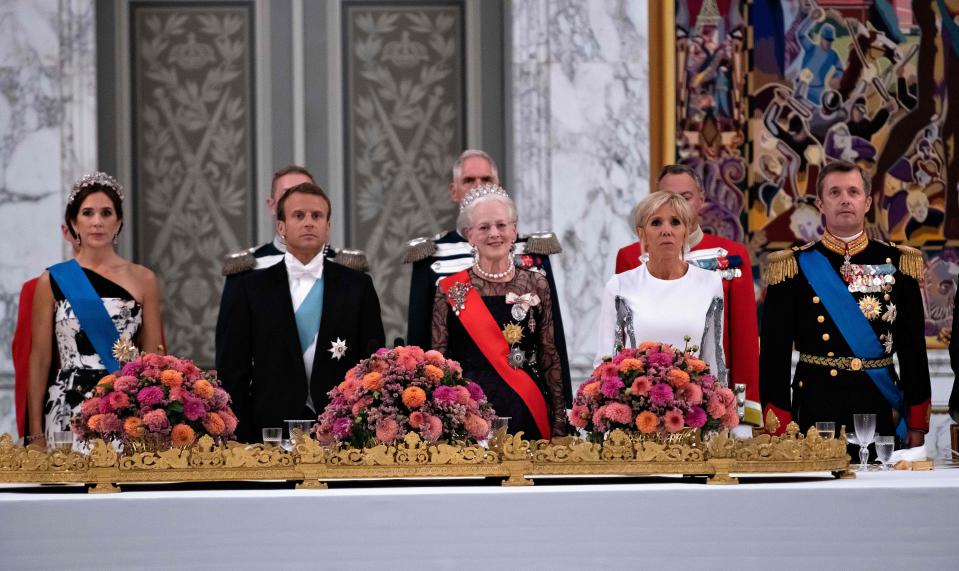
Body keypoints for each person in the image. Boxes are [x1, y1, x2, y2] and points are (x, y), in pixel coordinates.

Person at [760, 160, 930, 448]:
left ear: (867, 202)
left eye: (853, 192)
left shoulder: (899, 263)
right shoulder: (792, 268)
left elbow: (913, 348)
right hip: (816, 409)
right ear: (820, 204)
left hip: (878, 404)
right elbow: (774, 357)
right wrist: (778, 425)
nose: (845, 200)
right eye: (835, 193)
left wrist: (917, 422)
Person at [216, 182, 385, 442]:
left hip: (343, 430)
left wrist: (364, 426)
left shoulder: (358, 286)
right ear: (281, 227)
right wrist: (244, 434)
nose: (309, 223)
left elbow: (372, 366)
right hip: (268, 430)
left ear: (328, 227)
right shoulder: (250, 288)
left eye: (317, 216)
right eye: (299, 215)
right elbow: (233, 370)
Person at [405, 149, 574, 406]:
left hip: (524, 395)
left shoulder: (532, 252)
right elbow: (421, 342)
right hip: (463, 398)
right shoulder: (432, 255)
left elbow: (552, 345)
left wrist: (563, 411)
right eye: (469, 181)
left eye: (486, 180)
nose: (478, 187)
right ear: (454, 191)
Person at [614, 165, 761, 427]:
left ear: (701, 201)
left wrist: (741, 407)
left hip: (707, 397)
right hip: (644, 399)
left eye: (686, 197)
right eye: (668, 196)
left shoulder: (731, 256)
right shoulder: (628, 257)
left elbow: (743, 337)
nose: (676, 205)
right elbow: (621, 337)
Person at [27, 173, 165, 443]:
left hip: (125, 407)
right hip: (66, 407)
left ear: (119, 222)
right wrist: (34, 433)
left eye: (106, 213)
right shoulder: (52, 280)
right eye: (88, 213)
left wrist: (152, 421)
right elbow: (40, 360)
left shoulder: (144, 279)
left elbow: (152, 362)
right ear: (73, 222)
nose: (97, 222)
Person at [431, 184, 566, 440]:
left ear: (514, 231)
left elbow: (550, 354)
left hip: (527, 406)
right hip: (470, 414)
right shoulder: (450, 289)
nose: (494, 234)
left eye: (502, 225)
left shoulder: (536, 283)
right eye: (484, 227)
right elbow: (439, 363)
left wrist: (559, 422)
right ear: (469, 235)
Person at [597, 193, 737, 423]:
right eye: (656, 222)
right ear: (642, 233)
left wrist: (719, 416)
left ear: (686, 231)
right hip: (636, 419)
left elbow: (714, 357)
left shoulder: (710, 282)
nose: (666, 230)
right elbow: (605, 361)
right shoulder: (619, 285)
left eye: (675, 222)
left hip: (693, 416)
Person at [216, 165, 368, 367]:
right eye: (288, 194)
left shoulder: (347, 267)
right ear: (272, 206)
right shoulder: (247, 268)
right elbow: (231, 353)